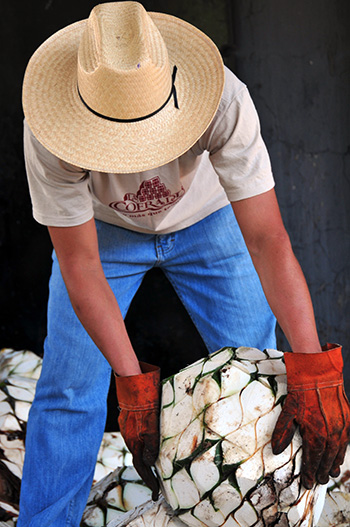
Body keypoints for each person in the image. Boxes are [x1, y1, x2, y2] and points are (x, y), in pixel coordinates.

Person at [19, 2, 350, 526]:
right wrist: (129, 384)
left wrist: (313, 367)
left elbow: (267, 239)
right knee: (69, 389)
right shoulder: (50, 132)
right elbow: (80, 266)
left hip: (209, 218)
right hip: (103, 234)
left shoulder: (224, 100)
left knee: (258, 381)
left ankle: (275, 516)